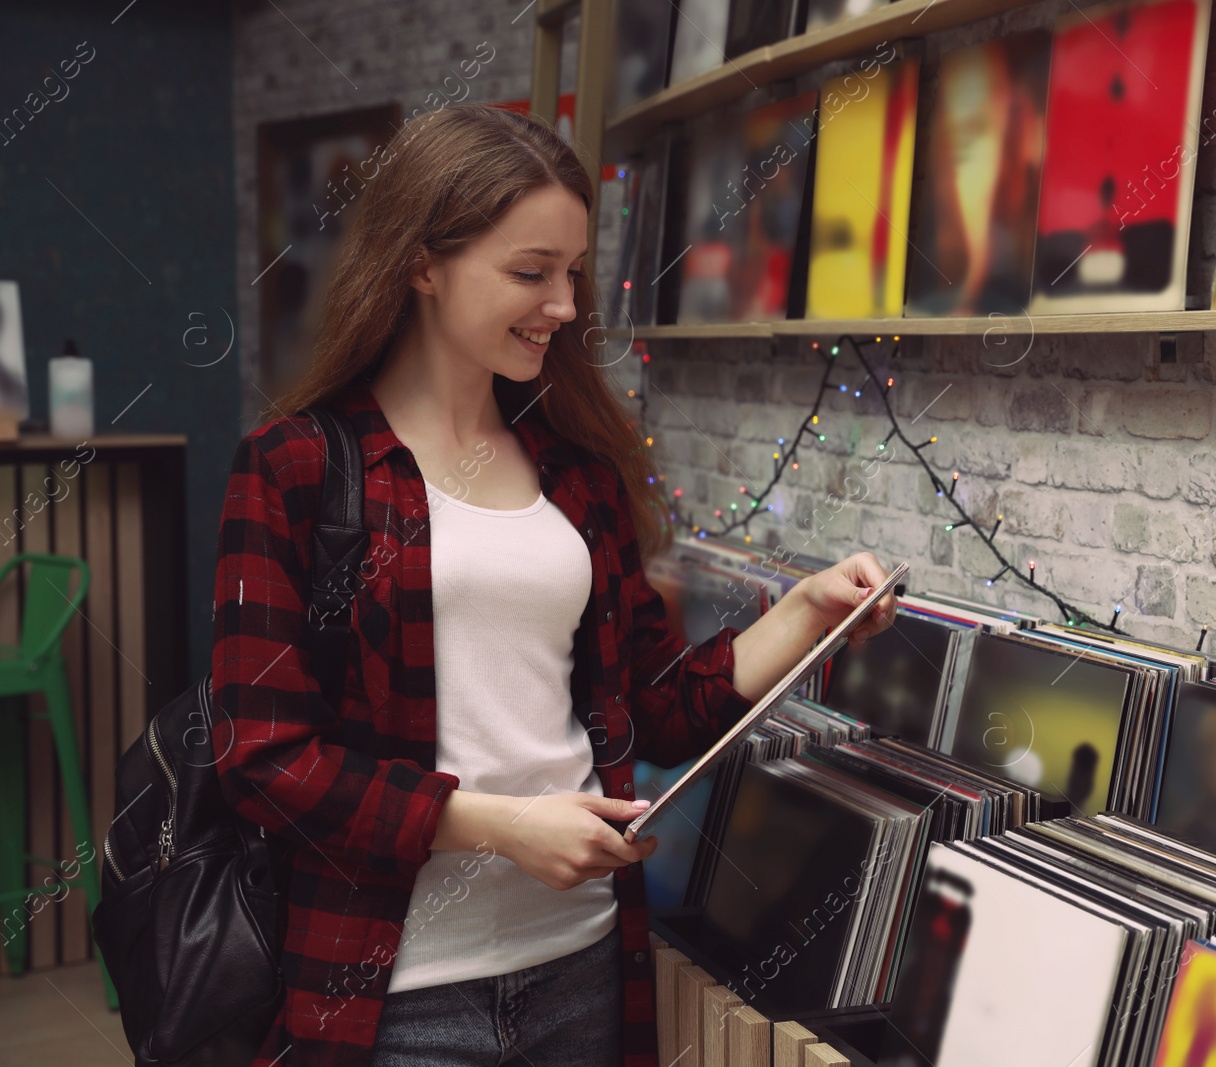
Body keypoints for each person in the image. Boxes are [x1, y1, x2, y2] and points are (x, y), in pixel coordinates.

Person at [210, 102, 896, 1067]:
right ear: (420, 262)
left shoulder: (577, 472)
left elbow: (656, 712)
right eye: (530, 273)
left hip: (580, 968)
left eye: (572, 273)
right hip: (394, 994)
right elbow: (264, 759)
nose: (566, 307)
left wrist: (807, 613)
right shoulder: (290, 468)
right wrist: (500, 828)